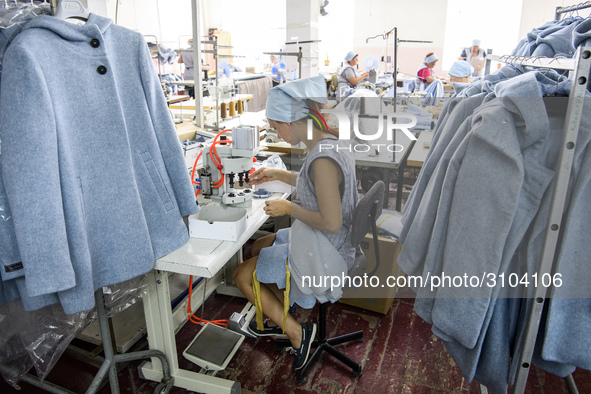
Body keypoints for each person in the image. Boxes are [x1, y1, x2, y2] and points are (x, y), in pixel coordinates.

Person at [233, 75, 359, 370]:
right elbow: (315, 186)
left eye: (275, 126)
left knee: (241, 274)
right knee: (260, 246)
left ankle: (297, 334)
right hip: (329, 240)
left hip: (326, 250)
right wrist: (278, 175)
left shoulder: (322, 160)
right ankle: (283, 316)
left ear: (290, 121)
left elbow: (329, 221)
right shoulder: (327, 144)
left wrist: (287, 206)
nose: (275, 133)